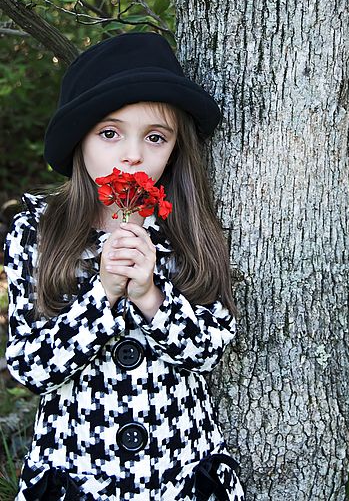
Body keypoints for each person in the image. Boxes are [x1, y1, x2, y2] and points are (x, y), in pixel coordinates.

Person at [3, 32, 245, 501]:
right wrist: (104, 295)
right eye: (110, 133)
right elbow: (30, 367)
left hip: (178, 471)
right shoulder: (38, 228)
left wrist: (149, 295)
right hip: (75, 471)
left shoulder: (188, 228)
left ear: (175, 148)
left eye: (155, 137)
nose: (132, 154)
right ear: (81, 139)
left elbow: (209, 351)